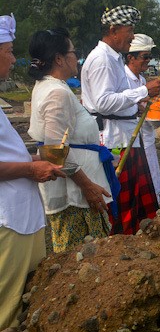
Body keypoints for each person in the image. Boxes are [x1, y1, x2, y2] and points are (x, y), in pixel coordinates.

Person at [0, 14, 64, 330]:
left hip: (23, 217)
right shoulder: (55, 92)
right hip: (8, 221)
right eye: (9, 50)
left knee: (28, 300)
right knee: (7, 314)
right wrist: (31, 167)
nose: (14, 59)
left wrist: (34, 163)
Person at [27, 28, 115, 252]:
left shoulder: (50, 87)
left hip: (76, 188)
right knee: (81, 256)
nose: (77, 57)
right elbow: (55, 150)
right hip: (75, 195)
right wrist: (88, 187)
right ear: (59, 58)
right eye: (74, 52)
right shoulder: (58, 93)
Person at [81, 5, 160, 234]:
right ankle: (120, 243)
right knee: (122, 201)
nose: (132, 37)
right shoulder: (102, 59)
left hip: (126, 136)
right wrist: (143, 91)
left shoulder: (114, 58)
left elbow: (117, 98)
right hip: (114, 140)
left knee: (137, 201)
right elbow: (103, 103)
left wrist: (137, 104)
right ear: (114, 29)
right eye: (130, 31)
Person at [124, 34, 160, 202]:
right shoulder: (122, 79)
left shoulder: (141, 79)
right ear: (130, 57)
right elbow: (115, 103)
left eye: (150, 57)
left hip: (145, 135)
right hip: (128, 138)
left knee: (153, 182)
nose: (148, 61)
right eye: (145, 57)